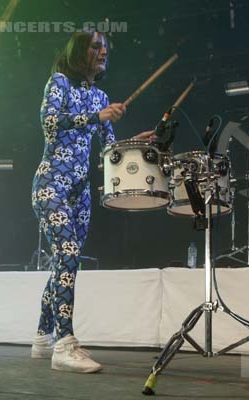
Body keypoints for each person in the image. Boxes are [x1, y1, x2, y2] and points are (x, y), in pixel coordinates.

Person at [30, 30, 154, 373]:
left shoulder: (100, 95)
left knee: (64, 261)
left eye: (105, 48)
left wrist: (132, 142)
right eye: (95, 46)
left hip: (80, 191)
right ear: (79, 52)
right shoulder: (59, 82)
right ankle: (64, 345)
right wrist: (95, 117)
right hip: (51, 184)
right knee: (67, 254)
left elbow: (108, 149)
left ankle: (42, 337)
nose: (103, 51)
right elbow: (50, 122)